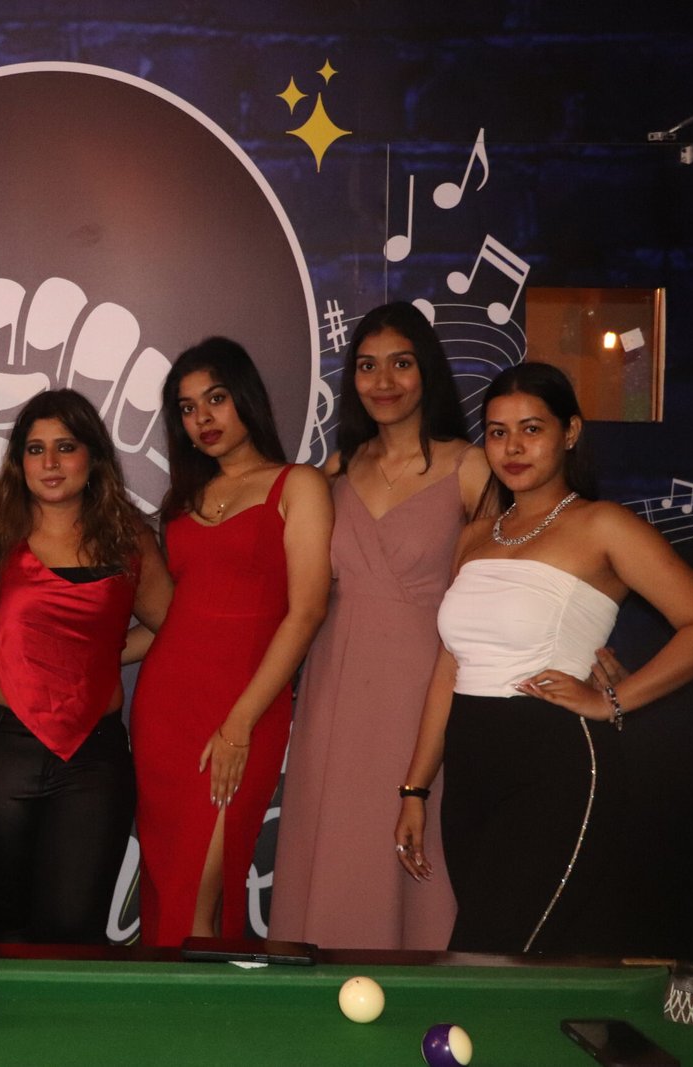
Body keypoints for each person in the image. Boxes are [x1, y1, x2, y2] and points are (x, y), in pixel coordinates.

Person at [394, 362, 693, 954]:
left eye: (532, 429)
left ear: (570, 432)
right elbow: (449, 667)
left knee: (491, 953)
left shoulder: (603, 525)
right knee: (511, 957)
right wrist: (415, 789)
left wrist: (611, 701)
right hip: (472, 771)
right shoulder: (475, 535)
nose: (513, 447)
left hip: (554, 765)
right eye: (498, 432)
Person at [269, 302, 490, 950]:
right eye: (367, 366)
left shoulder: (469, 466)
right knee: (334, 839)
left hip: (422, 686)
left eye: (400, 363)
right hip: (334, 685)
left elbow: (523, 561)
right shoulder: (335, 470)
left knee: (411, 838)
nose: (383, 380)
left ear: (427, 372)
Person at [0, 388, 172, 943]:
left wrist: (94, 653)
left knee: (75, 934)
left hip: (94, 763)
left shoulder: (129, 539)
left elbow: (171, 623)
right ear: (18, 461)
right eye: (35, 449)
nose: (50, 463)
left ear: (93, 456)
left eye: (66, 447)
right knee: (5, 932)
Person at [130, 337, 332, 947]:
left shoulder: (298, 485)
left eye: (215, 399)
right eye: (188, 408)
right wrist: (76, 658)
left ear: (246, 397)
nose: (203, 418)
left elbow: (306, 612)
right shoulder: (181, 503)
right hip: (165, 710)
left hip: (247, 708)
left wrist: (240, 724)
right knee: (171, 884)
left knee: (200, 894)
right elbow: (173, 619)